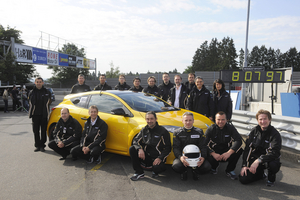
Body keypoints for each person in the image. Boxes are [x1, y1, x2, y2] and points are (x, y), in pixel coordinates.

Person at [239, 109, 282, 187]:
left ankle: (271, 178)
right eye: (260, 119)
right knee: (243, 179)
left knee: (273, 164)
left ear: (269, 119)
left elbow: (274, 152)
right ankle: (260, 174)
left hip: (268, 159)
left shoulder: (275, 134)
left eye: (265, 119)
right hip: (256, 158)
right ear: (257, 120)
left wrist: (259, 160)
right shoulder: (254, 131)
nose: (263, 121)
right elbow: (248, 149)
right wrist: (245, 165)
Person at [129, 111, 171, 181]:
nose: (149, 121)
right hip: (146, 157)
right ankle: (139, 172)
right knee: (132, 148)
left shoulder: (163, 131)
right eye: (148, 119)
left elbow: (168, 147)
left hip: (157, 159)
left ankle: (154, 170)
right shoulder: (144, 130)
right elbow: (135, 140)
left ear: (156, 119)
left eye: (151, 119)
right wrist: (139, 149)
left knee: (157, 168)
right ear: (145, 120)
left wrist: (160, 158)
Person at [172, 112, 211, 180]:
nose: (188, 122)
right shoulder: (177, 132)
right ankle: (184, 171)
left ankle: (195, 171)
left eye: (190, 120)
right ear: (182, 121)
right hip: (183, 156)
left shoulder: (199, 131)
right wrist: (180, 157)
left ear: (193, 121)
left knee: (207, 167)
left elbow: (203, 146)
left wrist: (203, 157)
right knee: (176, 166)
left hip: (197, 157)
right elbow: (176, 147)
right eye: (186, 120)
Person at [204, 111, 243, 180]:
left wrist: (229, 152)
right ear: (215, 120)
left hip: (226, 152)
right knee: (205, 151)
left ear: (226, 120)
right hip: (215, 152)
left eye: (223, 119)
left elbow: (238, 140)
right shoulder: (211, 129)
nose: (220, 122)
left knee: (240, 150)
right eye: (218, 119)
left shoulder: (230, 128)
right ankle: (213, 167)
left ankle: (230, 170)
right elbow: (203, 143)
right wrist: (212, 153)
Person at [28, 77, 51, 152]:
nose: (38, 83)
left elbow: (50, 101)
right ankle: (37, 145)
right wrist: (30, 113)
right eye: (37, 82)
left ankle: (42, 146)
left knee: (43, 131)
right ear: (35, 83)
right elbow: (30, 103)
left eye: (40, 82)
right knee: (36, 131)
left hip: (44, 115)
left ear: (42, 83)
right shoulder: (32, 92)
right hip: (35, 115)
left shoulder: (47, 91)